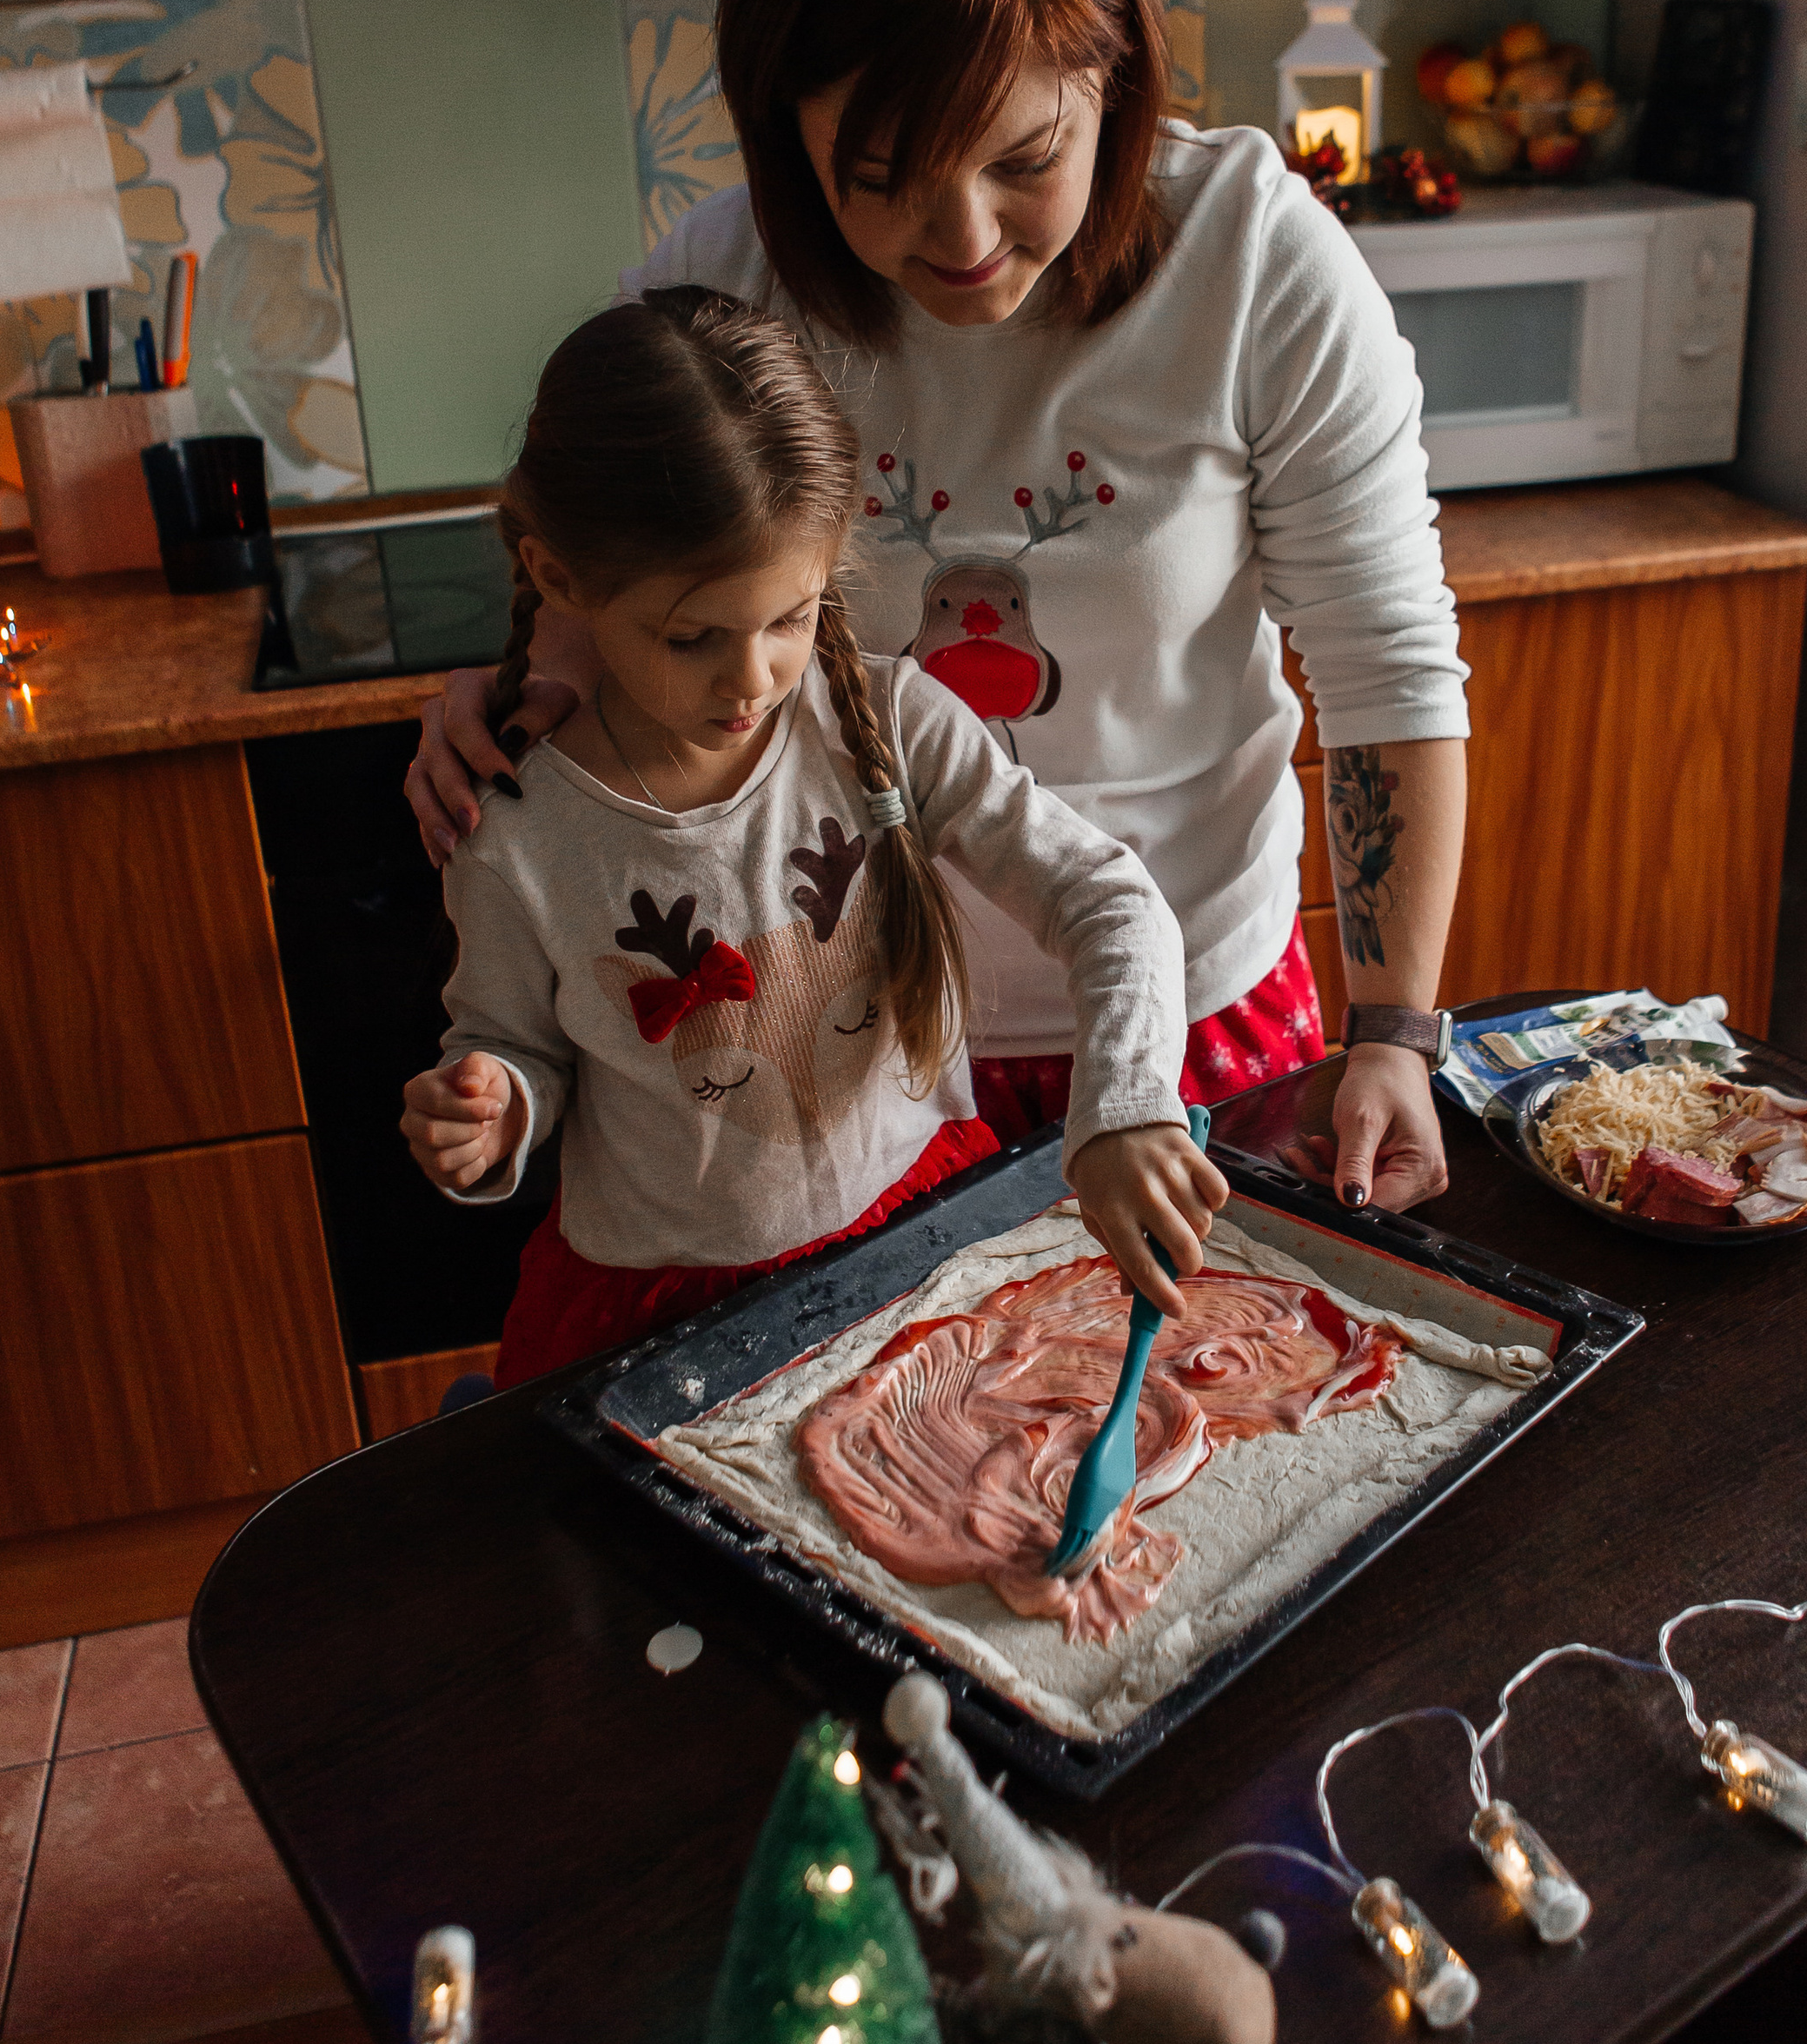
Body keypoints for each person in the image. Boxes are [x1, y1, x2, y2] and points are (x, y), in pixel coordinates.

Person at [409, 0, 1469, 1209]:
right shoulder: (723, 286)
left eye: (1025, 159)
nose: (962, 236)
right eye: (884, 174)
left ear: (1115, 78)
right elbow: (611, 614)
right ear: (789, 131)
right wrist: (521, 691)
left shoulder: (1256, 262)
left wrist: (1396, 1031)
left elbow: (1387, 672)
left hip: (1191, 1016)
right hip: (852, 1057)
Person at [402, 285, 1225, 1383]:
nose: (751, 679)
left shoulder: (887, 722)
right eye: (691, 636)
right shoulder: (517, 833)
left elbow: (1106, 900)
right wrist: (494, 1105)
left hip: (917, 1245)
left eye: (788, 620)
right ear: (560, 579)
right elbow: (513, 1046)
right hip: (656, 1310)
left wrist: (1126, 1105)